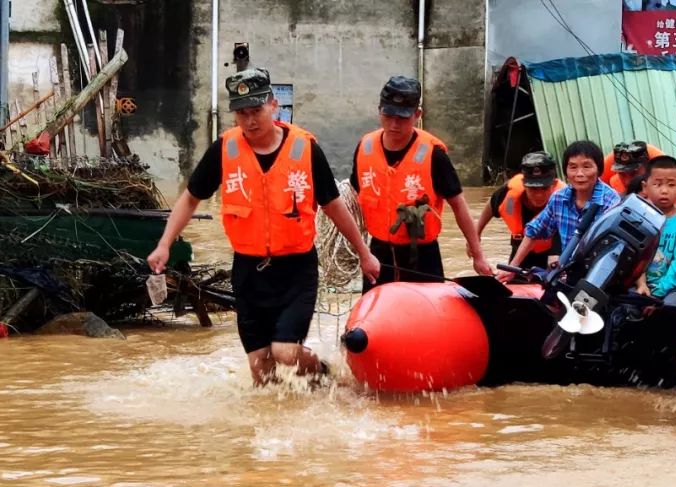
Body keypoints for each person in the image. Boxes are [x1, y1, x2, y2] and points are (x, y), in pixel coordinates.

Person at [147, 68, 380, 386]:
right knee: (261, 370)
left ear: (274, 106)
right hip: (248, 271)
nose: (250, 120)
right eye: (242, 113)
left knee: (285, 351)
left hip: (296, 271)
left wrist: (364, 252)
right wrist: (164, 244)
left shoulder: (305, 149)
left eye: (256, 110)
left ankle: (324, 375)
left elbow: (334, 205)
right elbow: (190, 198)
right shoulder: (225, 150)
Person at [351, 76, 493, 287]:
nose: (394, 124)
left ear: (417, 115)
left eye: (402, 118)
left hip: (423, 257)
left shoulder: (434, 154)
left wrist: (478, 255)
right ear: (379, 109)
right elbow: (350, 199)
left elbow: (459, 205)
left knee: (429, 316)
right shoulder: (365, 148)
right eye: (388, 115)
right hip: (378, 255)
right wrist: (361, 252)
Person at [498, 140, 621, 281]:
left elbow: (616, 250)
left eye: (587, 167)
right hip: (566, 275)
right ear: (566, 172)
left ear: (599, 169)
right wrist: (513, 267)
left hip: (599, 277)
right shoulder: (559, 198)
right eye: (573, 167)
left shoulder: (611, 202)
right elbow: (534, 231)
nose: (579, 174)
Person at [475, 152, 564, 272]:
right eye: (533, 188)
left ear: (553, 184)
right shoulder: (510, 193)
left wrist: (555, 256)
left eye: (544, 188)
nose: (539, 194)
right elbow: (491, 205)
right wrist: (476, 234)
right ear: (524, 184)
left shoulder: (564, 199)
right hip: (520, 251)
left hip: (552, 252)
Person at [635, 156, 676, 304]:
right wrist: (641, 285)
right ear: (645, 187)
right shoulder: (640, 218)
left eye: (671, 185)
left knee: (668, 306)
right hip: (646, 285)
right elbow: (637, 259)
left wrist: (657, 294)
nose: (664, 191)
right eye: (657, 184)